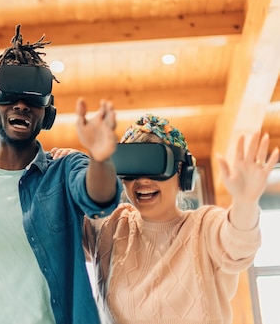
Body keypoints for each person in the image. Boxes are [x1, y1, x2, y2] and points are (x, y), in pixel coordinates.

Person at [0, 25, 123, 324]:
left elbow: (99, 198)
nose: (21, 105)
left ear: (48, 113)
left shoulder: (64, 170)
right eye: (10, 95)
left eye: (34, 99)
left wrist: (100, 158)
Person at [83, 114, 279, 324]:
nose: (142, 180)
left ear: (183, 173)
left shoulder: (204, 227)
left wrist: (245, 202)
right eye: (132, 169)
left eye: (155, 165)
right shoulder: (111, 227)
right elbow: (55, 226)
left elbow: (238, 244)